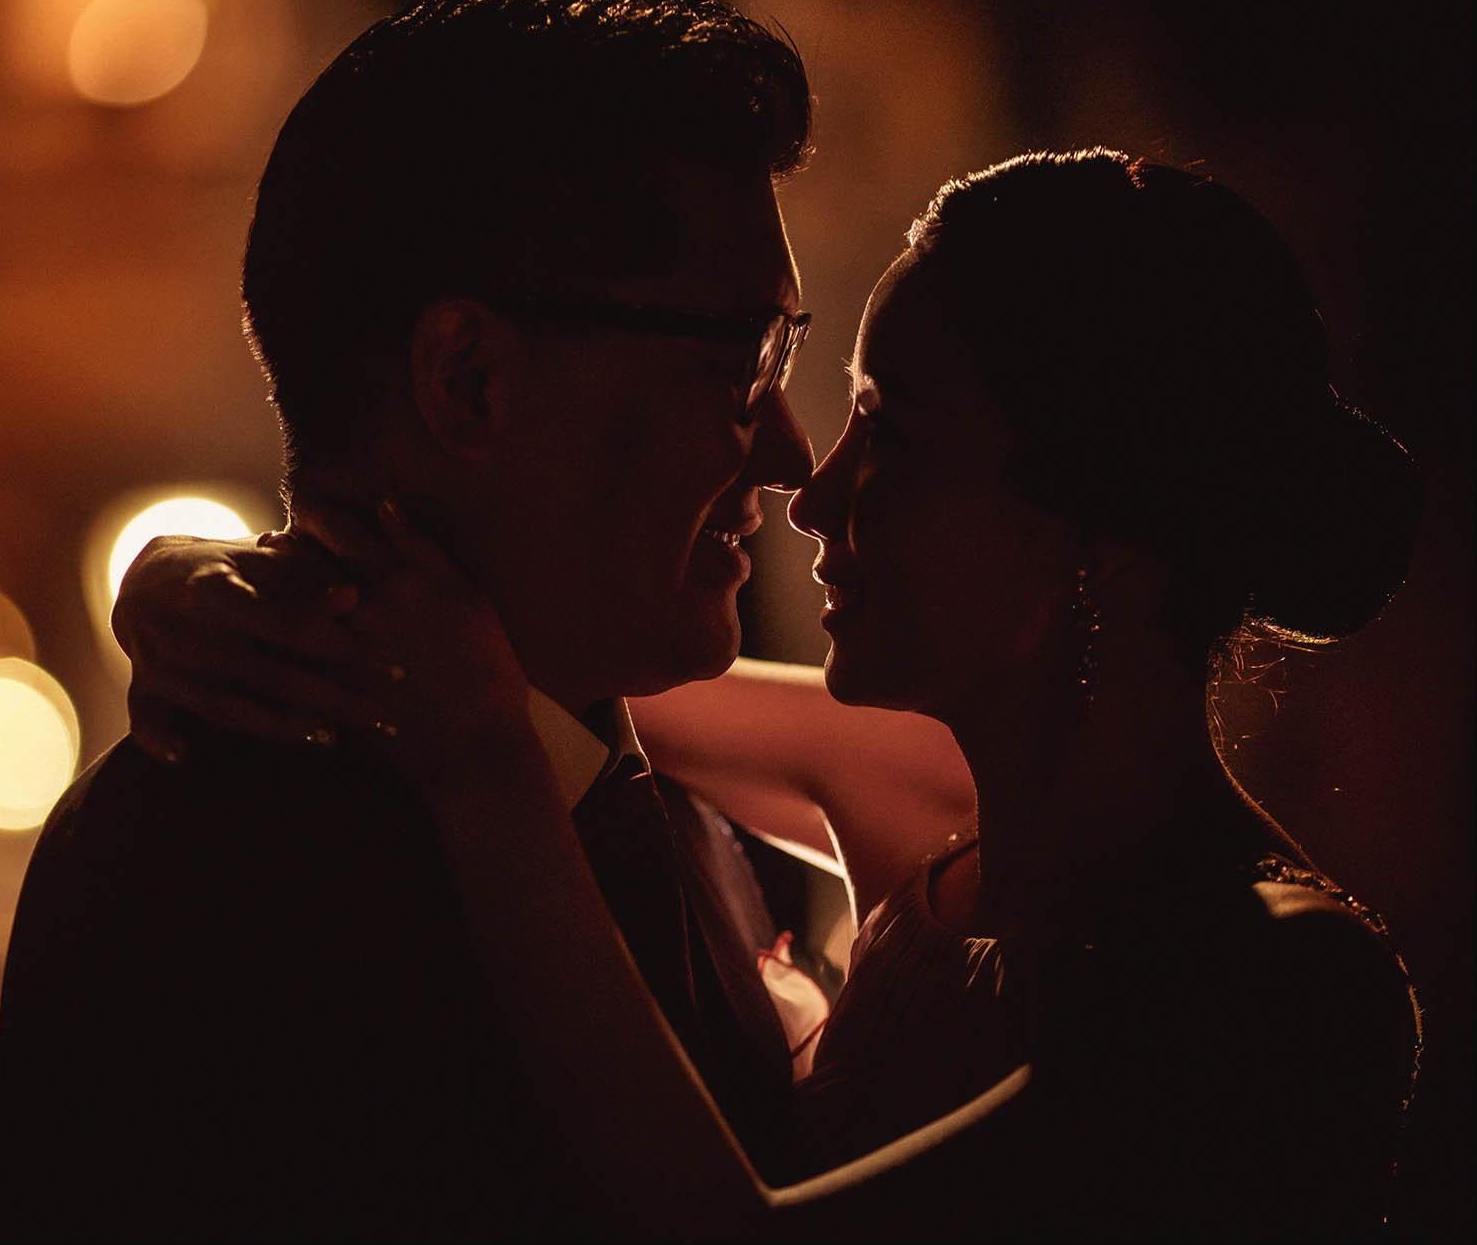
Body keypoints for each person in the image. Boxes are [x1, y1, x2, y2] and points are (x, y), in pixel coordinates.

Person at [113, 149, 1426, 1242]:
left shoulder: (1281, 985)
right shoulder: (926, 808)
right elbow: (509, 655)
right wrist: (193, 578)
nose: (818, 488)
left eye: (894, 433)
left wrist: (487, 788)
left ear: (1097, 536)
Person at [0, 0, 972, 1242]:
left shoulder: (632, 805)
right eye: (742, 364)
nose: (792, 456)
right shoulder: (216, 872)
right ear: (471, 381)